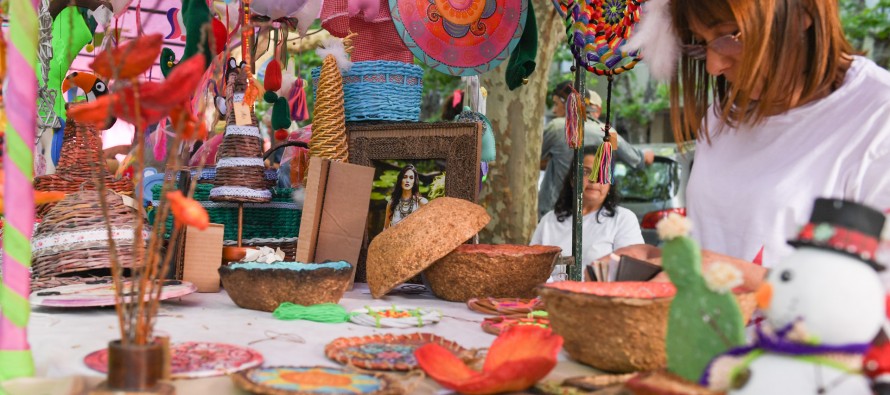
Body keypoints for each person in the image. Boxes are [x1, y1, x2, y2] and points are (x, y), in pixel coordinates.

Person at [635, 0, 890, 268]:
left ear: (803, 12)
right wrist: (662, 261)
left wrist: (725, 273)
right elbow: (715, 246)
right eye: (699, 43)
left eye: (729, 36)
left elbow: (874, 296)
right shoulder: (722, 114)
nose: (713, 66)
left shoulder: (878, 116)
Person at [538, 81, 654, 219]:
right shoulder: (608, 132)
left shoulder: (556, 127)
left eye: (556, 104)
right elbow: (636, 159)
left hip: (555, 212)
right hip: (592, 214)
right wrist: (648, 155)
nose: (554, 110)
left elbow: (532, 160)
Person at [531, 146, 643, 278]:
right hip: (550, 296)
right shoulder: (549, 221)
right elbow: (532, 268)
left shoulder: (623, 219)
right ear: (573, 180)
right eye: (586, 172)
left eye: (602, 172)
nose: (594, 179)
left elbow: (630, 270)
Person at [384, 164, 429, 229]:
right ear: (400, 180)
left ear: (414, 181)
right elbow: (385, 229)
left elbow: (428, 228)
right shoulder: (392, 203)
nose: (407, 180)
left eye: (411, 178)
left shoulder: (422, 203)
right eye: (405, 177)